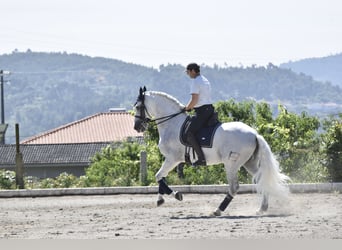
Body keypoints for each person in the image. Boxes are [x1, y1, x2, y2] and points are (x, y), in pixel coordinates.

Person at [184, 63, 214, 166]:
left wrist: (187, 108)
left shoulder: (195, 82)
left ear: (193, 71)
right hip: (210, 109)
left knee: (189, 133)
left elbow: (194, 99)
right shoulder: (205, 80)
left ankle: (201, 158)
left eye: (188, 72)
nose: (188, 75)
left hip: (202, 111)